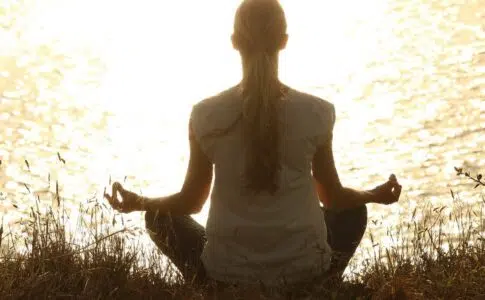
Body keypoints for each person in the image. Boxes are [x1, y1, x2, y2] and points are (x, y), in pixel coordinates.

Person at [104, 0, 402, 296]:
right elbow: (334, 198)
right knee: (352, 212)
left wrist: (139, 202)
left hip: (227, 273)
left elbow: (191, 201)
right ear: (284, 41)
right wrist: (374, 195)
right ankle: (315, 287)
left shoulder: (206, 115)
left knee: (158, 217)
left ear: (234, 42)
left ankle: (218, 290)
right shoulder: (317, 113)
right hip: (304, 269)